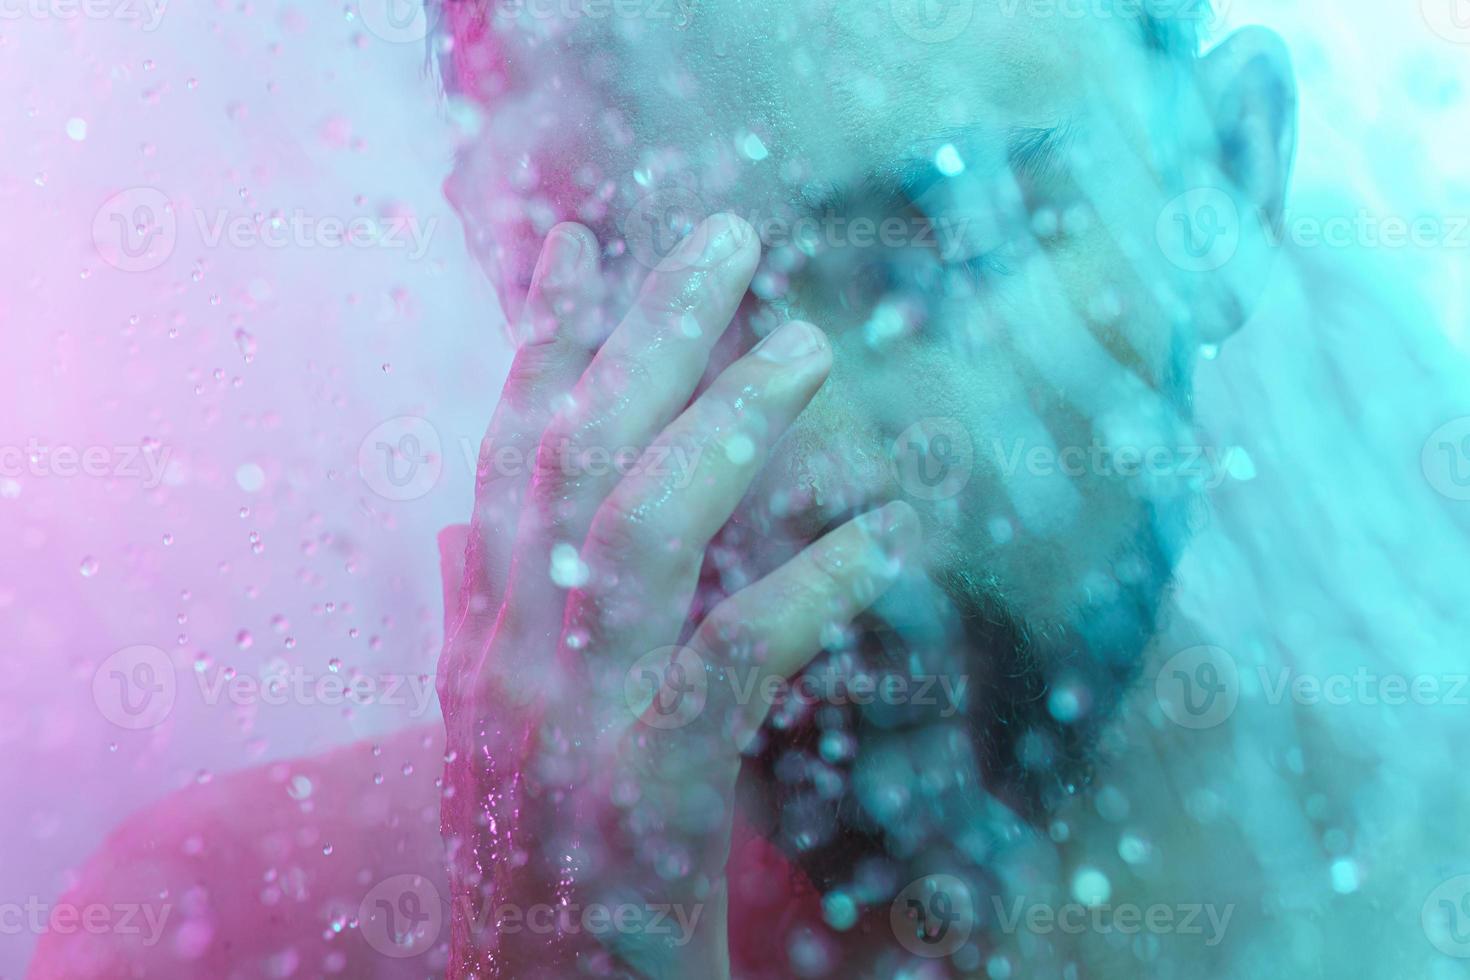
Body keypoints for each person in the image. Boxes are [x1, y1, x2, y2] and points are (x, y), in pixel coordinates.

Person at [30, 0, 1295, 976]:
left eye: (947, 256)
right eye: (662, 305)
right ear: (502, 259)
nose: (809, 467)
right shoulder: (222, 923)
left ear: (1228, 181)